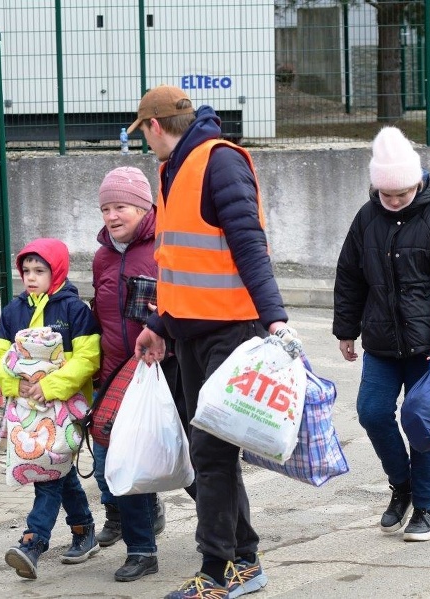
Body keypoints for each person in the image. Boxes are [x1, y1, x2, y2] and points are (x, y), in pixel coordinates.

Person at [130, 85, 301, 599]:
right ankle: (244, 559)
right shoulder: (172, 169)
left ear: (156, 126)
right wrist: (160, 324)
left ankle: (216, 573)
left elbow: (249, 245)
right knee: (214, 451)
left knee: (211, 452)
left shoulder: (217, 163)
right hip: (190, 334)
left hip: (232, 333)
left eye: (145, 134)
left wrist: (274, 319)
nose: (146, 144)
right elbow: (178, 262)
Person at [332, 126, 430, 542]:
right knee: (372, 413)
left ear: (417, 183)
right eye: (387, 194)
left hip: (428, 346)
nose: (394, 201)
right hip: (379, 342)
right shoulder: (365, 218)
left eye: (402, 194)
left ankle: (424, 509)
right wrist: (346, 329)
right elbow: (349, 277)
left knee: (423, 426)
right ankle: (402, 487)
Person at [0, 238, 101, 579]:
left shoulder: (74, 310)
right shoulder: (13, 312)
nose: (31, 277)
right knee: (58, 469)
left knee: (48, 472)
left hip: (64, 408)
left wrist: (50, 385)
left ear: (58, 271)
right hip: (27, 409)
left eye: (40, 270)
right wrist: (15, 385)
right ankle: (84, 530)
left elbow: (88, 358)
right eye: (26, 271)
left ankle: (33, 541)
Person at [90, 166, 167, 582]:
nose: (112, 216)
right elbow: (100, 321)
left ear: (142, 206)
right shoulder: (103, 256)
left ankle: (231, 536)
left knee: (192, 461)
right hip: (118, 372)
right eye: (105, 208)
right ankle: (141, 550)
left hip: (166, 370)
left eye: (120, 206)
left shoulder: (165, 246)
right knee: (116, 458)